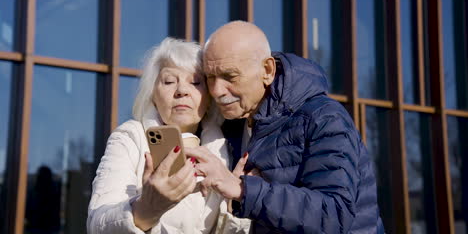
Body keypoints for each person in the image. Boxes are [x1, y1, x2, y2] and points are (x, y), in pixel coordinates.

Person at [185, 21, 385, 233]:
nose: (216, 90)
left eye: (230, 76)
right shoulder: (230, 124)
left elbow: (334, 214)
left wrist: (243, 189)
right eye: (210, 77)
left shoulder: (324, 117)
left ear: (267, 70)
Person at [87, 38, 250, 233]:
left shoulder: (226, 149)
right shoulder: (130, 138)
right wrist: (146, 210)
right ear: (153, 95)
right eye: (170, 81)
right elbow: (97, 224)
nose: (182, 90)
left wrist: (236, 205)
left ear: (209, 98)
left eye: (196, 82)